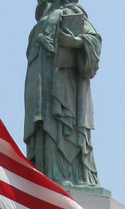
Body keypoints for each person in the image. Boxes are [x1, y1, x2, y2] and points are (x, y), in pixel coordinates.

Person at [24, 0, 102, 188]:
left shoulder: (73, 13)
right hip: (42, 93)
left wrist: (75, 42)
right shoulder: (42, 22)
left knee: (65, 128)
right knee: (47, 128)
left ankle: (73, 176)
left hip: (67, 89)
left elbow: (94, 43)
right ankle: (47, 172)